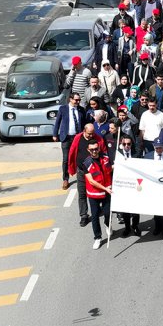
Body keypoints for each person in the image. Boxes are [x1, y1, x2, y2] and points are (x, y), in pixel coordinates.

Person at [53, 93, 89, 225]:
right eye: (76, 100)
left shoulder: (81, 110)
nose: (78, 102)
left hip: (78, 137)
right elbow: (58, 121)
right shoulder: (63, 109)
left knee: (79, 157)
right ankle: (65, 178)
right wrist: (55, 134)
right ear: (70, 99)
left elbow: (84, 123)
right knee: (65, 159)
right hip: (66, 137)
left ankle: (81, 173)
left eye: (79, 100)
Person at [82, 139, 114, 249]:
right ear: (88, 150)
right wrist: (105, 188)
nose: (94, 151)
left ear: (99, 148)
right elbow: (91, 181)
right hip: (94, 194)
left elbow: (110, 169)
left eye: (96, 149)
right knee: (95, 216)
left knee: (108, 213)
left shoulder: (106, 158)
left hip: (107, 191)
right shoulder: (86, 163)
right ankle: (97, 237)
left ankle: (107, 224)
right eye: (92, 150)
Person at [144, 138, 163, 240]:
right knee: (156, 209)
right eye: (157, 148)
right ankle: (157, 227)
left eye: (161, 148)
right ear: (154, 147)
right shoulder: (147, 157)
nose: (159, 150)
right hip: (153, 187)